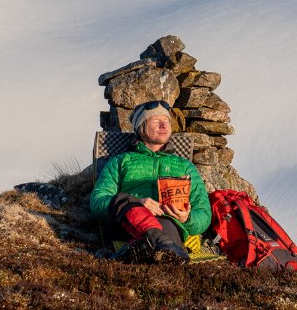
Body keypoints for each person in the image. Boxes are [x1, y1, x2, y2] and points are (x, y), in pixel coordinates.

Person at [90, 100, 211, 264]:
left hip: (168, 225)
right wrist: (137, 202)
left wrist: (187, 219)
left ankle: (141, 249)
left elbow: (203, 213)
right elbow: (97, 203)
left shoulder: (185, 166)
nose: (164, 125)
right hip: (126, 224)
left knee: (165, 230)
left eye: (166, 120)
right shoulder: (120, 161)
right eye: (155, 120)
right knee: (121, 200)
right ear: (141, 127)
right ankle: (161, 245)